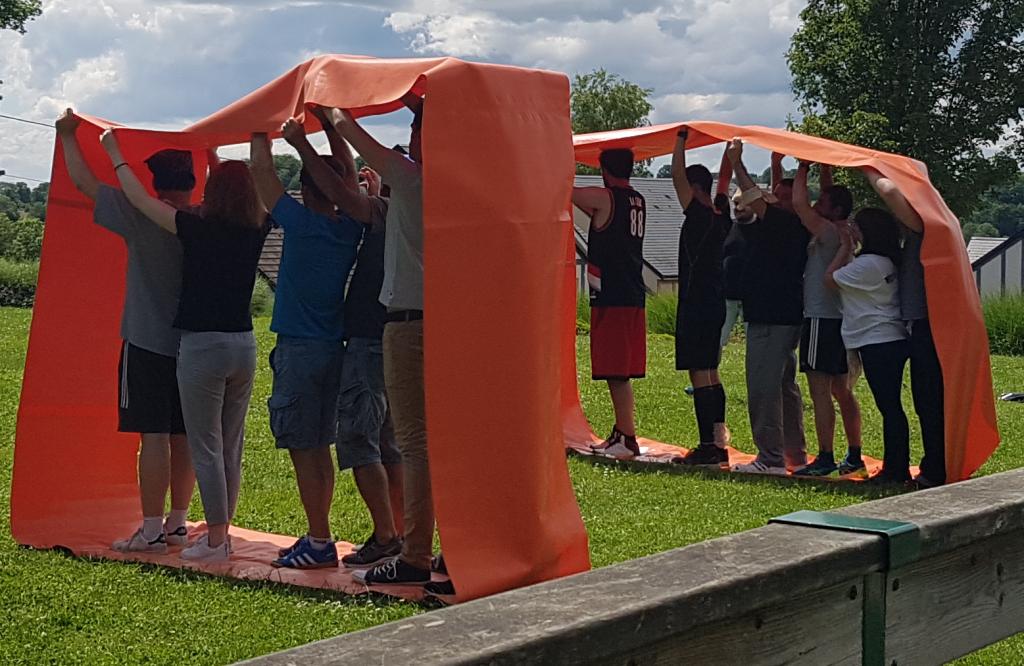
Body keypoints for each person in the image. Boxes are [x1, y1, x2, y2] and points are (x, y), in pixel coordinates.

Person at [100, 129, 270, 562]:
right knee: (230, 446)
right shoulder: (257, 227)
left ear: (210, 192)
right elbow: (253, 184)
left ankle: (215, 540)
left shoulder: (194, 227)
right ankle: (222, 532)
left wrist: (115, 154)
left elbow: (140, 200)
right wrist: (221, 153)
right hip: (244, 345)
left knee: (206, 446)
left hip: (202, 347)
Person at [56, 108, 196, 553]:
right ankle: (178, 522)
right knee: (185, 434)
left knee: (152, 435)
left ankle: (151, 528)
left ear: (152, 184)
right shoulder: (203, 222)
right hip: (192, 346)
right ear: (193, 183)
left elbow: (84, 184)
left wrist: (68, 137)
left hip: (146, 340)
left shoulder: (139, 215)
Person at [313, 96, 436, 587]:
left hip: (409, 323)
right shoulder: (462, 179)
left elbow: (357, 140)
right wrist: (415, 102)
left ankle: (416, 555)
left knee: (414, 442)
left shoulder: (412, 177)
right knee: (434, 441)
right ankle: (443, 544)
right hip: (447, 323)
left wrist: (333, 107)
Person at [281, 115, 405, 568]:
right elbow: (343, 188)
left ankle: (387, 534)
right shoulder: (395, 214)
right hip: (389, 337)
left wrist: (301, 144)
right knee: (390, 443)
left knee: (358, 441)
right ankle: (402, 531)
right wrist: (332, 135)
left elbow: (337, 192)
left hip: (367, 340)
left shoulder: (387, 214)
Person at [250, 129, 363, 569]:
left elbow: (261, 170)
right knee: (320, 444)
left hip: (299, 351)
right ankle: (320, 535)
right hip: (333, 348)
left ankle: (318, 539)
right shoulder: (349, 227)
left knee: (305, 447)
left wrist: (260, 129)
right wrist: (331, 128)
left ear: (305, 189)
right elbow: (347, 176)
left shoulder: (299, 224)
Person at [726, 141, 809, 475]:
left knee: (762, 387)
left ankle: (770, 458)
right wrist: (779, 162)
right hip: (786, 314)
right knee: (785, 386)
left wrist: (736, 163)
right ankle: (794, 454)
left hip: (771, 317)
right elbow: (768, 195)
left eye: (782, 194)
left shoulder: (784, 224)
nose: (774, 196)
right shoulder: (798, 224)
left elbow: (752, 195)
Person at [863, 168, 946, 487]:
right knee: (926, 400)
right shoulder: (928, 228)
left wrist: (870, 167)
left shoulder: (925, 227)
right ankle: (932, 465)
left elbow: (890, 193)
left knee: (929, 401)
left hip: (927, 326)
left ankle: (934, 469)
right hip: (921, 326)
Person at [825, 208, 912, 483]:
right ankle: (895, 466)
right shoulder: (887, 261)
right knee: (892, 407)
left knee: (889, 407)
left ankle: (895, 470)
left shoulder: (868, 265)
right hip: (890, 338)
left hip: (876, 340)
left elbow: (829, 279)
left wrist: (844, 247)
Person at [790, 162, 865, 477]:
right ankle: (854, 453)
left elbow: (798, 204)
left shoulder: (828, 230)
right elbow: (826, 196)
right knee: (841, 389)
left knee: (819, 390)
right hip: (838, 320)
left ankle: (825, 456)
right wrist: (824, 166)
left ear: (834, 211)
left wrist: (803, 168)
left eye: (822, 204)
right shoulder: (843, 228)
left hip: (821, 319)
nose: (816, 207)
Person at [573, 148, 647, 459]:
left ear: (604, 169)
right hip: (632, 290)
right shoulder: (637, 199)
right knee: (619, 368)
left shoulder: (606, 198)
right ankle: (620, 430)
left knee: (616, 371)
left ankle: (627, 437)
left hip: (612, 294)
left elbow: (566, 191)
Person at [670, 130, 731, 466]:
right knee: (712, 371)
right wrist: (730, 152)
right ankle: (718, 443)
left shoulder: (696, 214)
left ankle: (708, 445)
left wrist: (680, 139)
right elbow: (724, 179)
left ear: (693, 189)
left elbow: (678, 173)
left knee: (700, 373)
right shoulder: (721, 211)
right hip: (716, 301)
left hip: (695, 302)